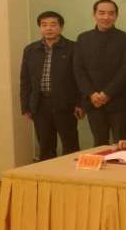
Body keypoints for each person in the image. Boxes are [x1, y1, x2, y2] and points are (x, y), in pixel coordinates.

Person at [20, 11, 82, 159]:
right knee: (45, 146)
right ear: (40, 28)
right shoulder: (30, 50)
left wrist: (80, 103)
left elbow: (80, 78)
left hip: (66, 104)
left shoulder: (73, 48)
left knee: (71, 146)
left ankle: (71, 173)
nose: (49, 28)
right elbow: (25, 80)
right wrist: (25, 106)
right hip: (40, 104)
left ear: (61, 27)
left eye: (53, 24)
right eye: (44, 25)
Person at [74, 0, 126, 146]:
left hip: (119, 101)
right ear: (94, 14)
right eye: (101, 13)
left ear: (116, 16)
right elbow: (78, 69)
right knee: (99, 144)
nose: (106, 17)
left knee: (121, 143)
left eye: (111, 13)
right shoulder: (83, 38)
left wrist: (107, 93)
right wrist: (91, 93)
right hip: (93, 102)